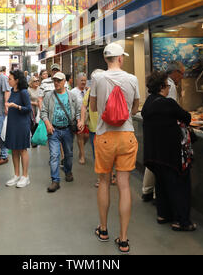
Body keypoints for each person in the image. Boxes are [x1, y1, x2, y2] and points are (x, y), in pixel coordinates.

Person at [90, 42, 140, 254]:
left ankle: (103, 230)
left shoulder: (97, 78)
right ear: (120, 58)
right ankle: (124, 239)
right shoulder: (132, 79)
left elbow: (93, 107)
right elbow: (135, 107)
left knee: (103, 182)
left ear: (106, 59)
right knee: (124, 185)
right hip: (126, 135)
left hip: (104, 137)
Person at [141, 71, 196, 232]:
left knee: (162, 184)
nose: (168, 88)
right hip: (171, 154)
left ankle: (163, 215)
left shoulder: (148, 103)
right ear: (161, 87)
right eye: (166, 85)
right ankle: (182, 221)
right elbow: (187, 117)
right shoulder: (168, 103)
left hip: (153, 155)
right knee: (179, 186)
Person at [141, 61, 185, 202]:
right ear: (175, 72)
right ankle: (157, 195)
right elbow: (171, 109)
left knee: (154, 163)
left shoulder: (149, 101)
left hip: (153, 136)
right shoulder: (170, 86)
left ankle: (147, 191)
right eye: (182, 73)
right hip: (165, 133)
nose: (182, 77)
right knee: (162, 165)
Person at [41, 72, 82, 193]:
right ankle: (55, 180)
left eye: (59, 81)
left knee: (68, 154)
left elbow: (78, 111)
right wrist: (48, 124)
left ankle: (68, 171)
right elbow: (43, 112)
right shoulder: (49, 96)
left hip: (68, 130)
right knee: (54, 155)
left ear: (65, 82)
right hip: (53, 130)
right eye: (55, 81)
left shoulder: (72, 96)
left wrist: (79, 121)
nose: (56, 83)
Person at [4, 70, 32, 188]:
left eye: (10, 79)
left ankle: (25, 176)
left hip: (22, 124)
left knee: (22, 149)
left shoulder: (23, 92)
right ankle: (16, 174)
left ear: (17, 80)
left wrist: (17, 106)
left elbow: (29, 108)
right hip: (12, 123)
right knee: (14, 149)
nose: (8, 80)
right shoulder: (12, 91)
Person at [80, 69, 104, 187]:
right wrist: (82, 121)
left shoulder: (109, 89)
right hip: (94, 129)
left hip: (108, 128)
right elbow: (84, 106)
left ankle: (111, 175)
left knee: (108, 154)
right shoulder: (89, 92)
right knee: (97, 154)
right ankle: (101, 177)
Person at [71, 73, 89, 165]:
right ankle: (82, 155)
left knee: (87, 136)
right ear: (77, 80)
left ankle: (81, 150)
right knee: (80, 136)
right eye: (81, 80)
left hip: (88, 117)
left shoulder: (88, 91)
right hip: (78, 117)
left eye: (85, 80)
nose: (83, 82)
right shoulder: (73, 92)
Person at [28, 76, 41, 144]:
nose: (37, 82)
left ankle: (35, 139)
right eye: (35, 81)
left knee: (37, 123)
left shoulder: (40, 89)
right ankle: (32, 139)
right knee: (32, 124)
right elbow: (27, 100)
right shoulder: (29, 90)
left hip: (39, 108)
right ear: (31, 82)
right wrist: (35, 103)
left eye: (38, 81)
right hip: (31, 109)